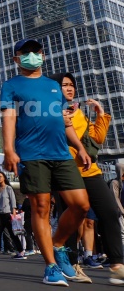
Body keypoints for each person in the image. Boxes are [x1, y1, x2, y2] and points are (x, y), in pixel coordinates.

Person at [0, 39, 91, 286]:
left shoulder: (53, 86)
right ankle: (50, 266)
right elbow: (8, 118)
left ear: (43, 54)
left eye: (36, 51)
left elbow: (65, 121)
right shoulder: (11, 85)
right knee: (41, 207)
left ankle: (58, 244)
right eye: (25, 52)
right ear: (16, 59)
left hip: (61, 153)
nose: (32, 55)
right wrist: (9, 149)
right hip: (31, 154)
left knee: (80, 205)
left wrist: (80, 147)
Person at [50, 72, 124, 284]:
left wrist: (100, 115)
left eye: (72, 85)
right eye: (64, 85)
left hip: (89, 170)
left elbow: (96, 139)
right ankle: (72, 264)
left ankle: (117, 264)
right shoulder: (50, 111)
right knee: (72, 219)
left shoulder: (79, 112)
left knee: (110, 211)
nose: (70, 88)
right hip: (65, 171)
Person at [0, 171, 26, 259]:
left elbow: (13, 201)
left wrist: (14, 213)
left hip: (8, 214)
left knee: (13, 233)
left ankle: (21, 252)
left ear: (4, 178)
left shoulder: (8, 188)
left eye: (0, 176)